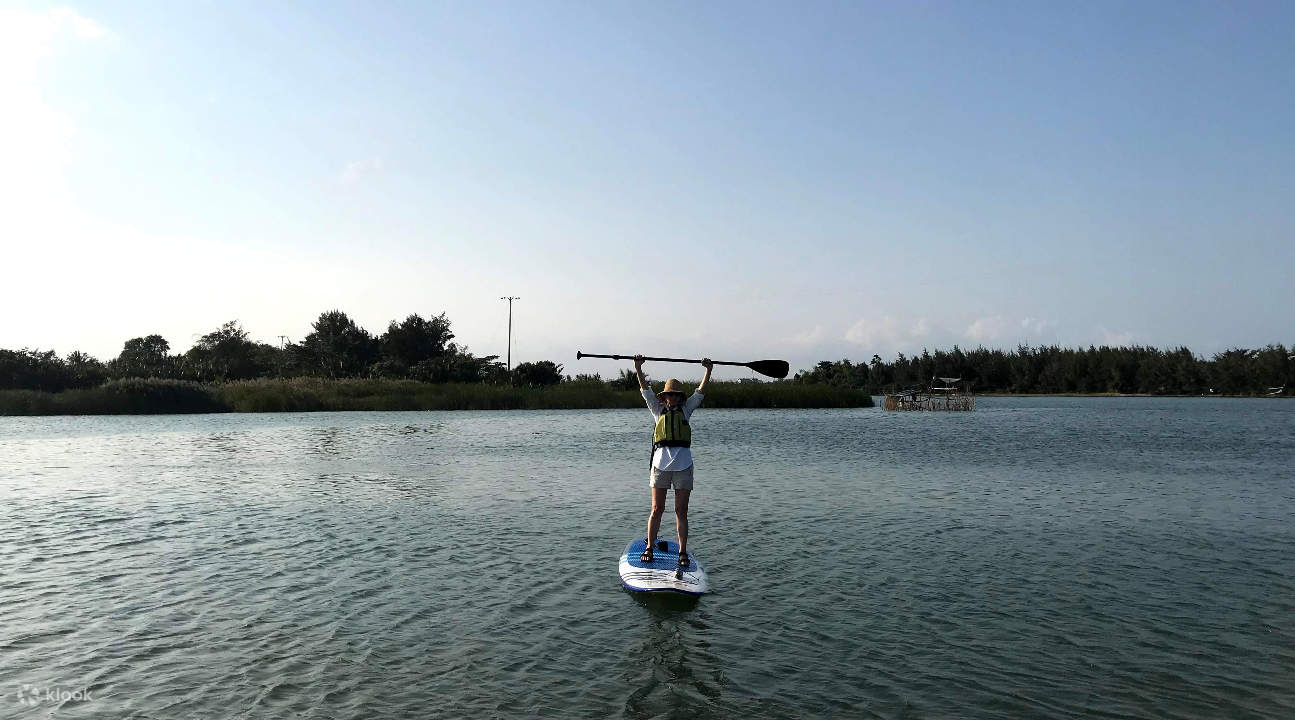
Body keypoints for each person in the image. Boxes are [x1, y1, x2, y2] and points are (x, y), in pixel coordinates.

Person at [634, 354, 712, 568]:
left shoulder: (686, 411)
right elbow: (645, 391)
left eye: (676, 395)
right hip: (660, 467)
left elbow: (700, 392)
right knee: (657, 509)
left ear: (679, 397)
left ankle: (682, 551)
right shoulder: (657, 411)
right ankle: (650, 546)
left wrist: (708, 370)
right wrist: (638, 367)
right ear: (664, 397)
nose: (673, 398)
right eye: (669, 395)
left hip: (683, 467)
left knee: (681, 511)